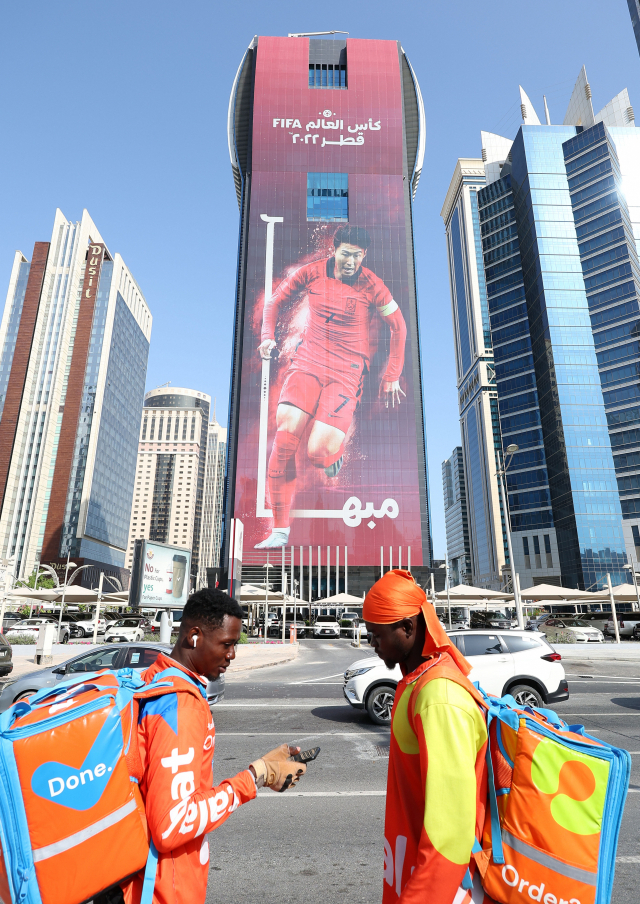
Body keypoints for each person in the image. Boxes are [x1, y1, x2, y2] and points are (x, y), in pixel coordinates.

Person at [97, 588, 306, 904]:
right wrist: (256, 776)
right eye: (226, 644)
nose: (232, 655)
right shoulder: (181, 706)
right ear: (194, 636)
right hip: (162, 890)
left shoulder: (156, 680)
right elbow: (173, 824)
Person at [255, 225, 407, 549]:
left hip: (347, 373)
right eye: (346, 253)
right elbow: (275, 301)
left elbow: (399, 326)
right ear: (334, 250)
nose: (351, 261)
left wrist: (392, 373)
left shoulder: (372, 286)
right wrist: (268, 335)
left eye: (358, 255)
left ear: (363, 256)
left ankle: (331, 455)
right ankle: (280, 529)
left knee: (317, 453)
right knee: (284, 440)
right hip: (307, 363)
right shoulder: (311, 273)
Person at [363, 570, 490, 904]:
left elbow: (449, 835)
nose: (372, 644)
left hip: (443, 889)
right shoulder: (418, 681)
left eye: (376, 635)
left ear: (407, 628)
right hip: (410, 867)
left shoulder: (439, 697)